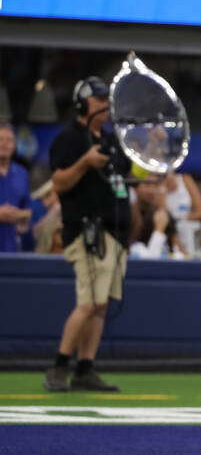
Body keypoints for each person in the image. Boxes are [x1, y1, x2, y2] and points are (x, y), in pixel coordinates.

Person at [44, 76, 133, 392]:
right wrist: (85, 162)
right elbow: (59, 183)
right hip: (87, 231)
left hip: (113, 233)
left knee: (101, 305)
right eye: (98, 100)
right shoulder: (70, 138)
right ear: (83, 104)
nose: (105, 106)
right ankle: (59, 366)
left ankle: (85, 367)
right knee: (88, 302)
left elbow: (129, 175)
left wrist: (152, 146)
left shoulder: (109, 139)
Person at [130, 181, 183, 260]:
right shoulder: (131, 213)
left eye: (156, 185)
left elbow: (178, 249)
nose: (152, 190)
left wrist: (162, 207)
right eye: (147, 185)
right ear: (135, 189)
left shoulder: (165, 214)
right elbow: (150, 263)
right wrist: (159, 230)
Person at [0, 122, 31, 252]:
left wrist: (20, 215)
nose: (5, 144)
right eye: (0, 139)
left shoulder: (22, 173)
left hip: (12, 249)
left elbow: (29, 211)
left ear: (14, 146)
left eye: (9, 140)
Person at [162, 171, 201, 256]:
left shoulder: (185, 178)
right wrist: (164, 187)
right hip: (165, 233)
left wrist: (181, 218)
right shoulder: (156, 181)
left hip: (185, 232)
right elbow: (159, 213)